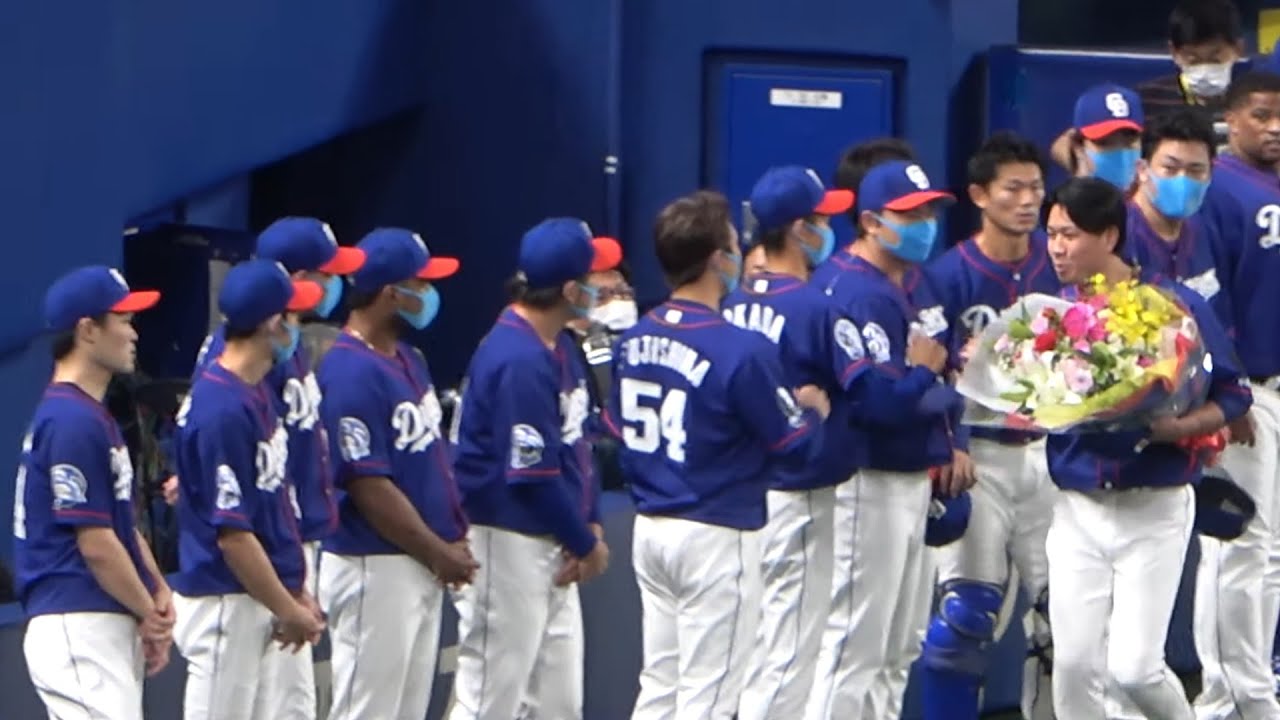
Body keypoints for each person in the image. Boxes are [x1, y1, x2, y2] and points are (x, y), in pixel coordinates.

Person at [604, 190, 829, 719]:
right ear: (717, 260)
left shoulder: (633, 338)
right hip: (716, 532)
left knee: (661, 685)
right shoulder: (740, 348)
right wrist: (814, 412)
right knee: (710, 694)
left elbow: (615, 433)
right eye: (732, 246)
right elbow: (793, 446)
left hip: (651, 527)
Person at [1043, 177, 1251, 719]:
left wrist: (1180, 427)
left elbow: (1233, 392)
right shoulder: (1051, 313)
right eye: (1052, 234)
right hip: (1078, 505)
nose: (1057, 248)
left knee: (1134, 670)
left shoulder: (1172, 304)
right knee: (1073, 666)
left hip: (1154, 505)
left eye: (1069, 235)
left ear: (1109, 236)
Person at [185, 216, 366, 720]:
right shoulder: (237, 365)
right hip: (250, 559)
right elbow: (223, 463)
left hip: (286, 542)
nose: (335, 284)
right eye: (326, 273)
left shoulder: (284, 346)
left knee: (292, 705)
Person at [912, 132, 1060, 720]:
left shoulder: (1058, 261)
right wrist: (949, 444)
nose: (1027, 201)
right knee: (964, 621)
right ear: (979, 195)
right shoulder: (947, 274)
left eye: (1036, 188)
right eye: (1012, 189)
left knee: (1063, 619)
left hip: (1050, 453)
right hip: (981, 458)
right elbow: (927, 372)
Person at [448, 218, 620, 720]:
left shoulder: (559, 344)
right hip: (506, 539)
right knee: (490, 699)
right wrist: (585, 542)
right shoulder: (517, 357)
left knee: (559, 704)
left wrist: (589, 521)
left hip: (553, 539)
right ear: (569, 290)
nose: (598, 288)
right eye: (590, 278)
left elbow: (576, 445)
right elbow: (531, 476)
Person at [806, 159, 958, 720]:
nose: (926, 225)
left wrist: (942, 389)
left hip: (905, 478)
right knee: (853, 647)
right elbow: (878, 406)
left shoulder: (896, 284)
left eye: (930, 212)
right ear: (871, 222)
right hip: (866, 481)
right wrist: (928, 379)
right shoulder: (855, 290)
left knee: (898, 649)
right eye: (910, 215)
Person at [722, 166, 867, 720]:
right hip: (799, 491)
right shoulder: (816, 308)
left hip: (740, 494)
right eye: (821, 219)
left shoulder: (728, 304)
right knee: (789, 654)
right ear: (799, 229)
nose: (828, 230)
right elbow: (873, 395)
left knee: (749, 649)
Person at [316, 227, 476, 720]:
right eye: (420, 284)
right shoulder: (348, 372)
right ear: (390, 293)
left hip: (415, 562)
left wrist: (449, 538)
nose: (428, 294)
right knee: (368, 711)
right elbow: (368, 486)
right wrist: (437, 551)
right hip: (374, 562)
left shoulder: (407, 359)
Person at [169, 259, 327, 720]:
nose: (296, 327)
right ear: (271, 323)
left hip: (254, 597)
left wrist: (292, 591)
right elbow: (234, 537)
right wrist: (287, 607)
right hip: (225, 599)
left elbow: (272, 507)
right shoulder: (221, 407)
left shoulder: (252, 390)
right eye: (291, 316)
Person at [15, 266, 172, 720]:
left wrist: (157, 589)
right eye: (123, 320)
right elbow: (96, 544)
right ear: (88, 330)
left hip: (96, 619)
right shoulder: (71, 419)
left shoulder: (89, 414)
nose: (133, 333)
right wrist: (149, 612)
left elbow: (119, 525)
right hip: (77, 618)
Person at [1195, 68, 1280, 719]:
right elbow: (1205, 301)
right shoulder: (1217, 188)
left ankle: (1252, 692)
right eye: (1261, 114)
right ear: (1230, 116)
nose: (1275, 127)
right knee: (1237, 546)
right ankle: (1226, 701)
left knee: (1269, 554)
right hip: (1249, 392)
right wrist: (1227, 394)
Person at [1124, 109, 1224, 302]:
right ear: (1142, 169)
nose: (1182, 179)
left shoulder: (1208, 230)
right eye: (1170, 168)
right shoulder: (1120, 237)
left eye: (1195, 170)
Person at [1051, 83, 1145, 188]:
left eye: (1129, 141)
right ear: (1079, 148)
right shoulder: (1066, 198)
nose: (1121, 152)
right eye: (1105, 143)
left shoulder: (1154, 193)